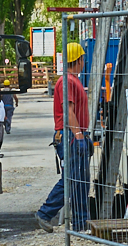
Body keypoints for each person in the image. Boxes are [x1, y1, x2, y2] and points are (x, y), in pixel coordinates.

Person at [35, 42, 91, 231]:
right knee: (73, 178)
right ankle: (45, 213)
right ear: (79, 59)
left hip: (74, 134)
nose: (84, 62)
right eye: (83, 58)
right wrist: (78, 135)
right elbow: (68, 111)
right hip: (70, 136)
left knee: (80, 181)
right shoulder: (67, 81)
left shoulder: (72, 80)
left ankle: (81, 223)